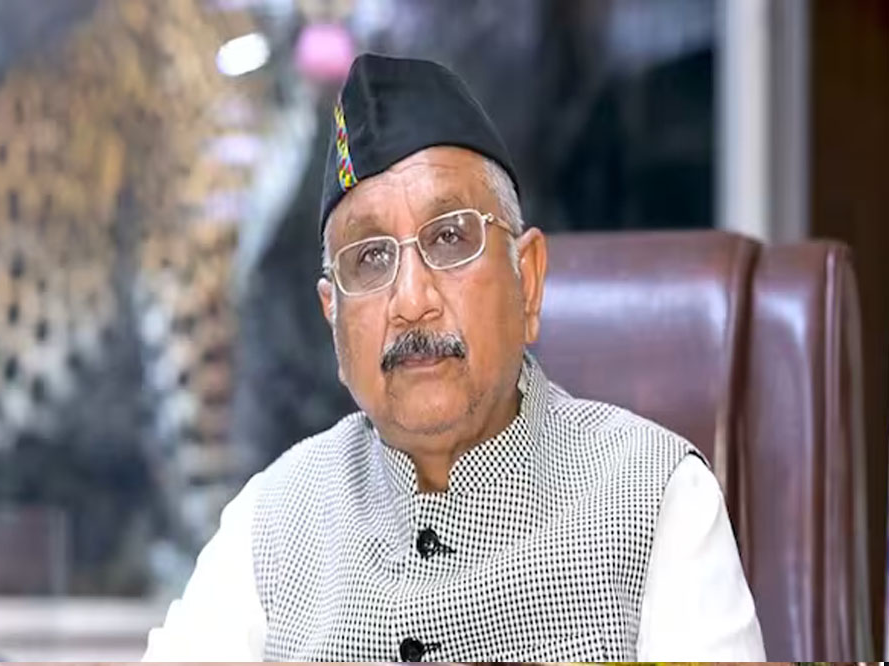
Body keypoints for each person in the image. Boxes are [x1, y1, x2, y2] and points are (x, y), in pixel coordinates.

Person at [143, 53, 765, 662]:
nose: (411, 301)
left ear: (528, 279)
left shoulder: (656, 498)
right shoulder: (273, 522)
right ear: (333, 317)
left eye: (449, 238)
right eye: (370, 258)